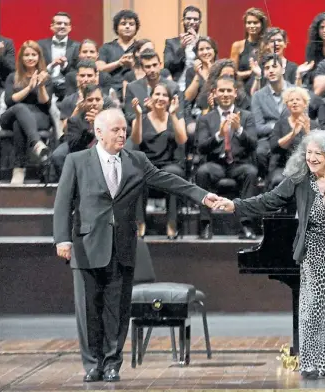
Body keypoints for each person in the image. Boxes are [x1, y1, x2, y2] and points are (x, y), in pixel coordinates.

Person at [53, 108, 220, 383]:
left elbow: (169, 181)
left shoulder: (137, 160)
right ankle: (92, 363)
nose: (122, 134)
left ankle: (111, 364)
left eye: (124, 129)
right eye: (116, 130)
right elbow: (62, 204)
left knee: (117, 310)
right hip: (86, 245)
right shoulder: (77, 160)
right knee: (88, 311)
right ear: (99, 132)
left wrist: (202, 196)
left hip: (123, 246)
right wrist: (62, 239)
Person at [212, 130, 325, 379]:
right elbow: (270, 200)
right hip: (313, 249)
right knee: (312, 307)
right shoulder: (299, 179)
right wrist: (237, 205)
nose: (312, 158)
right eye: (309, 153)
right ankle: (311, 364)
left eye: (318, 153)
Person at [195, 76, 258, 240]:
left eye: (229, 90)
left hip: (238, 164)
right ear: (214, 93)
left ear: (235, 93)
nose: (225, 94)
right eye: (221, 90)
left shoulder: (247, 116)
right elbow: (201, 147)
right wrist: (218, 136)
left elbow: (253, 145)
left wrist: (239, 131)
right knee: (202, 172)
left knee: (251, 172)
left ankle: (246, 225)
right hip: (215, 164)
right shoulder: (205, 118)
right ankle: (205, 225)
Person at [130, 83, 187, 239]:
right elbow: (136, 139)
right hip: (147, 166)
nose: (160, 98)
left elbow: (182, 140)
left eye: (164, 95)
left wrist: (174, 114)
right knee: (138, 173)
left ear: (169, 100)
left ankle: (172, 223)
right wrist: (137, 115)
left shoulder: (175, 118)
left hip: (170, 165)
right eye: (157, 94)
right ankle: (140, 223)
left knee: (172, 174)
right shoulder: (140, 118)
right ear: (151, 97)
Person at [1, 40, 52, 184]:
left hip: (38, 116)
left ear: (39, 57)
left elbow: (45, 103)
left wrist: (41, 86)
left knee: (20, 124)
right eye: (27, 55)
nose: (30, 58)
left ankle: (19, 169)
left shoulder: (45, 77)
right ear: (21, 58)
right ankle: (37, 143)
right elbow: (9, 101)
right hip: (10, 115)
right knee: (20, 108)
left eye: (33, 55)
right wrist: (29, 88)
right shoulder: (13, 76)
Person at [269, 86, 318, 191]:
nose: (294, 102)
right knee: (278, 180)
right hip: (283, 165)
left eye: (298, 99)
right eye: (291, 100)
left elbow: (319, 149)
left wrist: (307, 131)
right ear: (287, 105)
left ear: (305, 104)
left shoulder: (313, 124)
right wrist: (292, 134)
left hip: (309, 167)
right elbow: (274, 146)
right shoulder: (280, 124)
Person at [230, 7, 268, 95]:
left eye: (255, 23)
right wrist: (251, 72)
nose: (252, 26)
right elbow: (232, 74)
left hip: (263, 89)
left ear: (262, 24)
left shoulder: (267, 46)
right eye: (249, 23)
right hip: (243, 92)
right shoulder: (237, 46)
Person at [163, 5, 202, 89]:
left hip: (199, 87)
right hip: (178, 87)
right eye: (188, 18)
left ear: (200, 22)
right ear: (183, 21)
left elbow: (211, 66)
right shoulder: (171, 43)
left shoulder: (205, 43)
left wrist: (196, 44)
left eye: (195, 19)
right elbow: (167, 67)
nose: (192, 22)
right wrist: (182, 49)